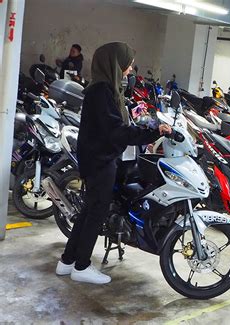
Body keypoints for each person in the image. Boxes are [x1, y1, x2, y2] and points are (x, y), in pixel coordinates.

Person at [55, 42, 172, 284]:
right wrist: (152, 134)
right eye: (126, 64)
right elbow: (116, 132)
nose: (129, 69)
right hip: (101, 160)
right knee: (96, 214)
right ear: (114, 63)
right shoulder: (102, 92)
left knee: (88, 212)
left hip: (96, 158)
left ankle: (67, 261)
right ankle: (82, 266)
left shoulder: (102, 89)